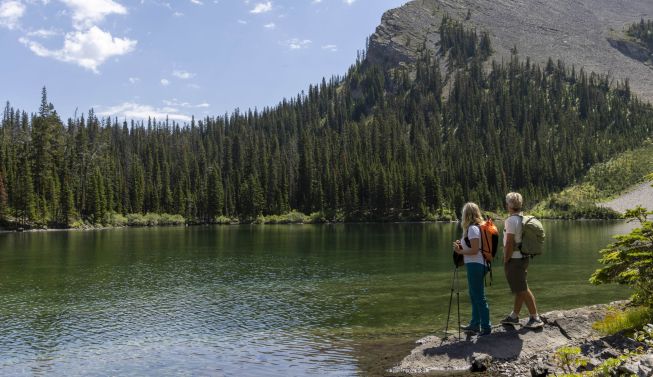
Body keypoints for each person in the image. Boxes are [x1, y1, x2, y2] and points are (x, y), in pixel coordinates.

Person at [500, 192, 544, 329]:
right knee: (519, 287)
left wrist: (506, 259)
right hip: (523, 257)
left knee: (523, 288)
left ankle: (535, 317)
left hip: (515, 259)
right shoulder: (521, 218)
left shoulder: (511, 221)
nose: (506, 205)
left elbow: (509, 243)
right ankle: (514, 316)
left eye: (507, 203)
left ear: (509, 205)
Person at [453, 202, 491, 335]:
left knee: (479, 296)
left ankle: (486, 327)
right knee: (474, 294)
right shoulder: (478, 227)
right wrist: (461, 246)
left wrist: (459, 251)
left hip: (476, 264)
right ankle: (475, 324)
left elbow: (475, 250)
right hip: (478, 264)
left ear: (466, 214)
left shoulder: (473, 229)